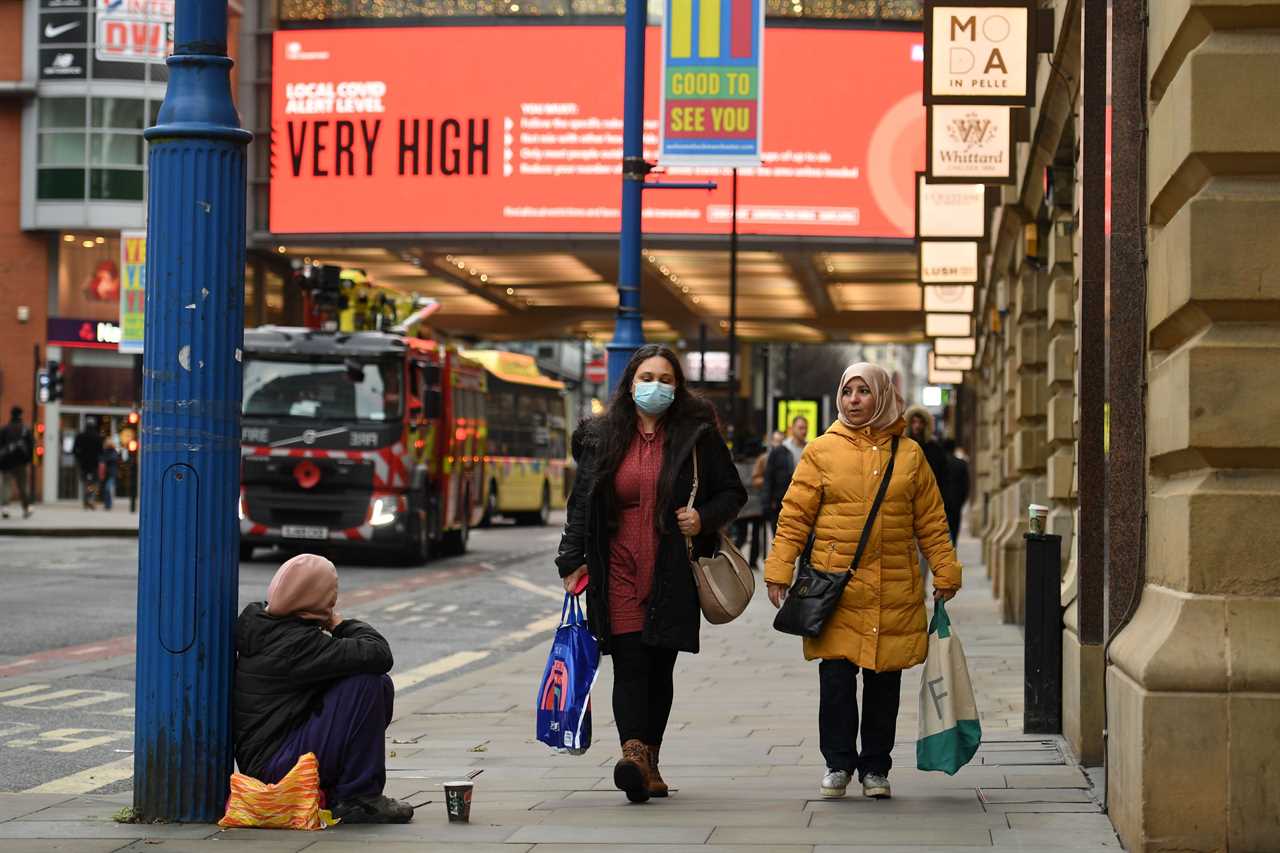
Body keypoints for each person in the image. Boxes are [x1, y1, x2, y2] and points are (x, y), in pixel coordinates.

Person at [556, 344, 747, 803]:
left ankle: (650, 764)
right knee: (630, 661)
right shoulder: (603, 436)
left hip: (672, 569)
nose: (655, 386)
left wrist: (701, 518)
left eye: (665, 378)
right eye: (646, 377)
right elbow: (581, 503)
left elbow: (732, 492)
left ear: (677, 387)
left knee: (660, 667)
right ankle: (633, 753)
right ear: (630, 383)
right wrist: (571, 558)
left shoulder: (696, 436)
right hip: (616, 567)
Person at [764, 362, 961, 801]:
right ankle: (838, 763)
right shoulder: (821, 451)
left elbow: (930, 520)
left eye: (863, 391)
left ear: (883, 397)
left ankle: (876, 766)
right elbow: (795, 515)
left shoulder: (909, 455)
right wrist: (779, 568)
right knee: (835, 679)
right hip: (836, 587)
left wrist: (945, 568)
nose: (854, 400)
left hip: (893, 585)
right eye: (847, 391)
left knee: (883, 682)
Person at [233, 553, 414, 824]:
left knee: (370, 683)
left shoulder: (269, 627)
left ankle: (346, 789)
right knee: (367, 684)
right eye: (332, 592)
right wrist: (340, 624)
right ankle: (358, 797)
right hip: (276, 769)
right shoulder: (295, 644)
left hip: (268, 756)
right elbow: (378, 653)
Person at [761, 417, 809, 537]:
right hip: (781, 503)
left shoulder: (810, 449)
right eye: (800, 428)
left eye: (805, 428)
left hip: (804, 504)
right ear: (792, 429)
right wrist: (767, 503)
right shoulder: (780, 451)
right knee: (780, 539)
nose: (803, 431)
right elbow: (769, 477)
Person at [905, 405, 949, 499]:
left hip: (929, 496)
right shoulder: (902, 446)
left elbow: (942, 476)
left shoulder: (935, 449)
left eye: (920, 422)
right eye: (914, 422)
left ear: (926, 424)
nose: (917, 426)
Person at [0, 406, 34, 520]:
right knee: (23, 486)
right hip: (21, 462)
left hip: (6, 462)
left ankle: (5, 507)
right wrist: (28, 460)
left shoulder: (5, 429)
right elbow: (31, 446)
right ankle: (26, 508)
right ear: (21, 415)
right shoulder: (25, 429)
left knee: (6, 485)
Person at [942, 438, 971, 543]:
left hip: (941, 503)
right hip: (956, 503)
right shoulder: (961, 464)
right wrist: (961, 501)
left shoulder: (939, 464)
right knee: (954, 530)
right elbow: (966, 486)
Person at [73, 419, 104, 510]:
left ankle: (86, 500)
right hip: (94, 463)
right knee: (95, 483)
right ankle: (90, 499)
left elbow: (74, 450)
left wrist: (79, 458)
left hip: (83, 463)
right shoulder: (97, 437)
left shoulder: (80, 436)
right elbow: (101, 451)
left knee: (85, 483)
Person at [99, 439, 121, 511]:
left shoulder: (113, 452)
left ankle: (108, 504)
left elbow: (111, 459)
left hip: (111, 473)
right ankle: (107, 504)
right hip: (107, 473)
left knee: (107, 489)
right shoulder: (105, 452)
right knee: (106, 489)